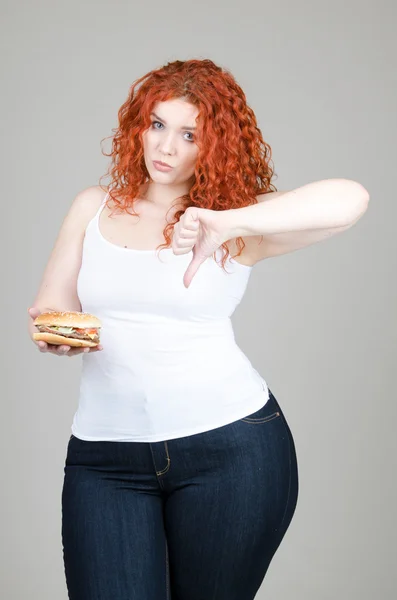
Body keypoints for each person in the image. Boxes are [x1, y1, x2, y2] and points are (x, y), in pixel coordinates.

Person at [28, 58, 369, 600]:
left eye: (190, 135)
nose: (166, 147)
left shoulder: (234, 224)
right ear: (138, 124)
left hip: (232, 452)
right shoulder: (92, 208)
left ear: (213, 144)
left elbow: (351, 200)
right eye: (158, 124)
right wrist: (57, 333)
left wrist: (231, 220)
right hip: (106, 459)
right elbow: (53, 307)